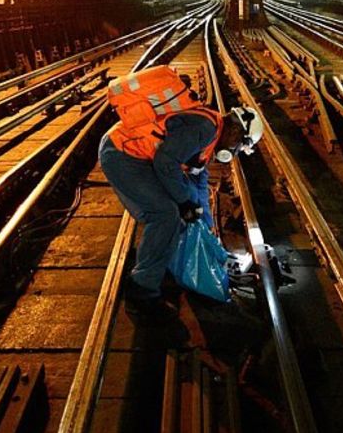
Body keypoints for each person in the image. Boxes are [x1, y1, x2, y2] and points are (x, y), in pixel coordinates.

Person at [97, 66, 264, 316]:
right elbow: (165, 163)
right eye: (240, 146)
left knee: (179, 211)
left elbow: (198, 184)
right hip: (122, 155)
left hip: (135, 155)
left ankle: (162, 264)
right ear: (236, 130)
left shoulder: (211, 136)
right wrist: (184, 203)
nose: (236, 152)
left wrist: (203, 222)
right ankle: (141, 291)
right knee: (164, 214)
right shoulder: (205, 129)